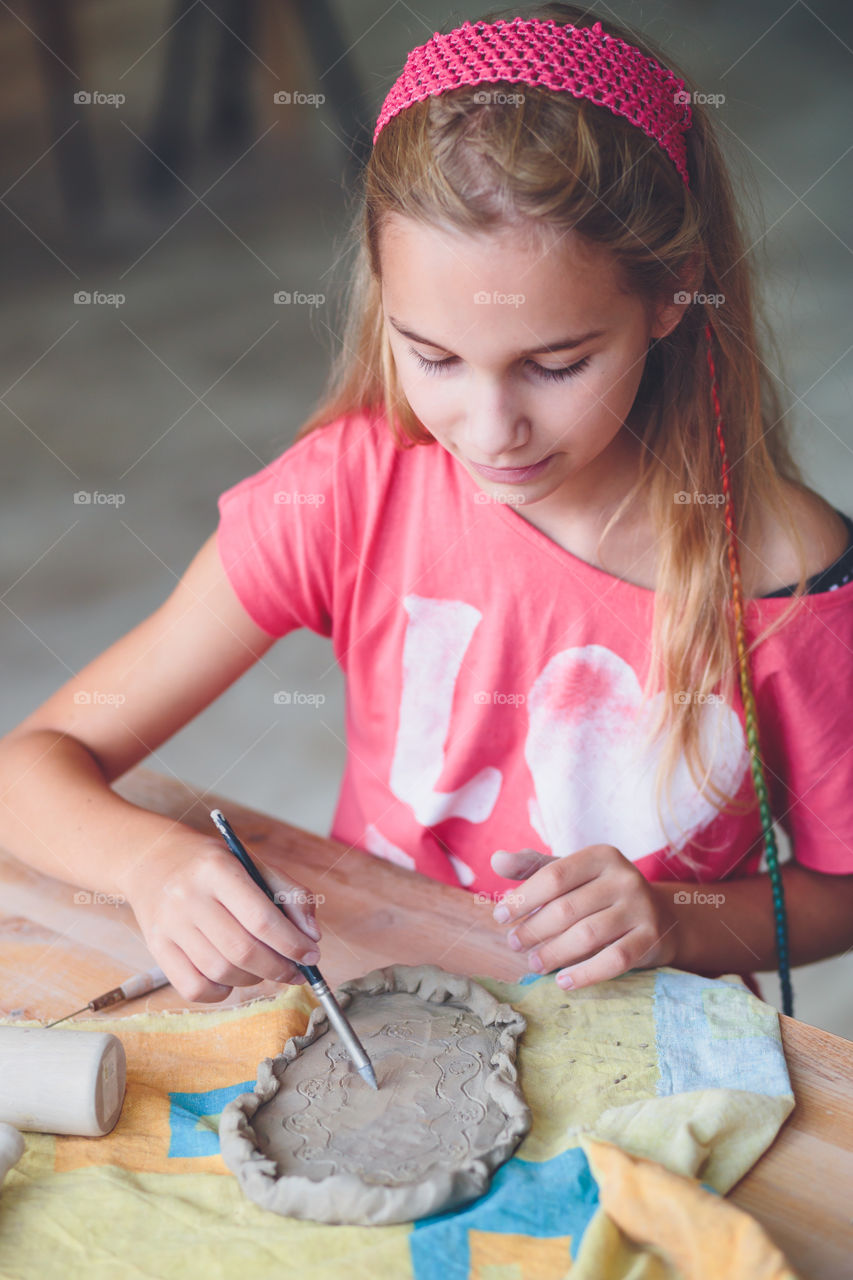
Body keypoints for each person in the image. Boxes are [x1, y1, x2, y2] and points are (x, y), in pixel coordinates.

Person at [2, 4, 852, 1015]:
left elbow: (839, 889)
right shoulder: (350, 488)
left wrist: (674, 919)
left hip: (650, 1061)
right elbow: (29, 768)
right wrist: (152, 863)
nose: (491, 429)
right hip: (388, 1014)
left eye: (555, 363)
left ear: (673, 293)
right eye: (434, 356)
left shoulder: (782, 575)